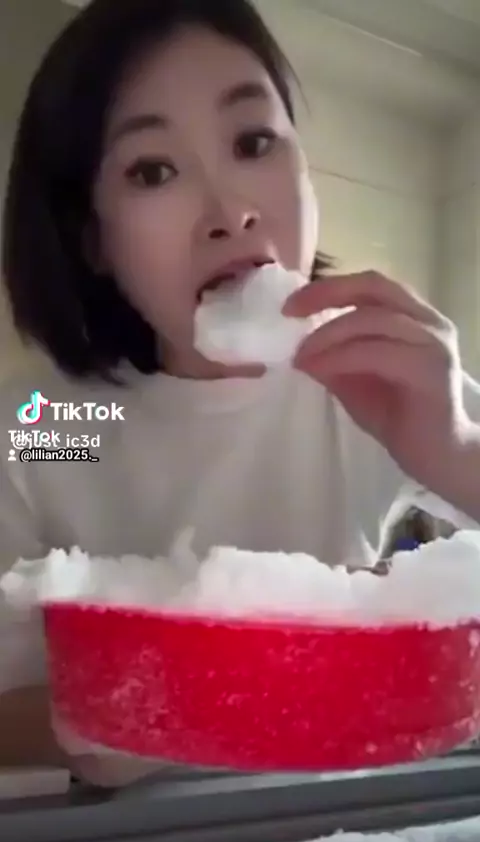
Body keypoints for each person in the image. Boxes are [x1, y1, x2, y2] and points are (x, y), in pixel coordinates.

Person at [1, 0, 479, 786]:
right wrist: (116, 715)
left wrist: (457, 451)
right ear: (94, 239)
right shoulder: (54, 423)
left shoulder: (373, 375)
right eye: (153, 170)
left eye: (254, 142)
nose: (231, 214)